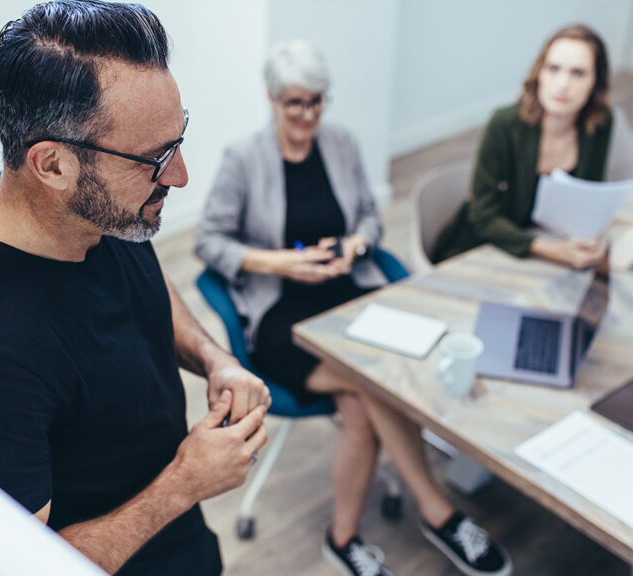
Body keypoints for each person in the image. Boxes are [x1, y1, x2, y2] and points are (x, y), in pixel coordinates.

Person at [0, 3, 270, 575]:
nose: (179, 175)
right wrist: (184, 484)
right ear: (50, 165)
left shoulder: (98, 209)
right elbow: (15, 566)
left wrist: (213, 359)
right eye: (153, 159)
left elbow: (144, 282)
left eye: (178, 140)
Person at [195, 40, 511, 576]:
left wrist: (354, 248)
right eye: (295, 103)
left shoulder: (339, 143)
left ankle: (342, 541)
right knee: (375, 380)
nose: (308, 115)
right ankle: (439, 514)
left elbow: (368, 217)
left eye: (317, 101)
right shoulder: (243, 159)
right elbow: (209, 242)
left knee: (365, 402)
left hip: (346, 292)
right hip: (283, 316)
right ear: (272, 99)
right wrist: (279, 264)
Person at [436, 24, 613, 269]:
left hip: (551, 247)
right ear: (539, 72)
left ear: (596, 83)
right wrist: (551, 251)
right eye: (553, 69)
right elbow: (483, 217)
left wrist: (591, 241)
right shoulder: (503, 125)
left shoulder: (600, 124)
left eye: (578, 73)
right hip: (487, 248)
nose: (562, 84)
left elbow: (589, 197)